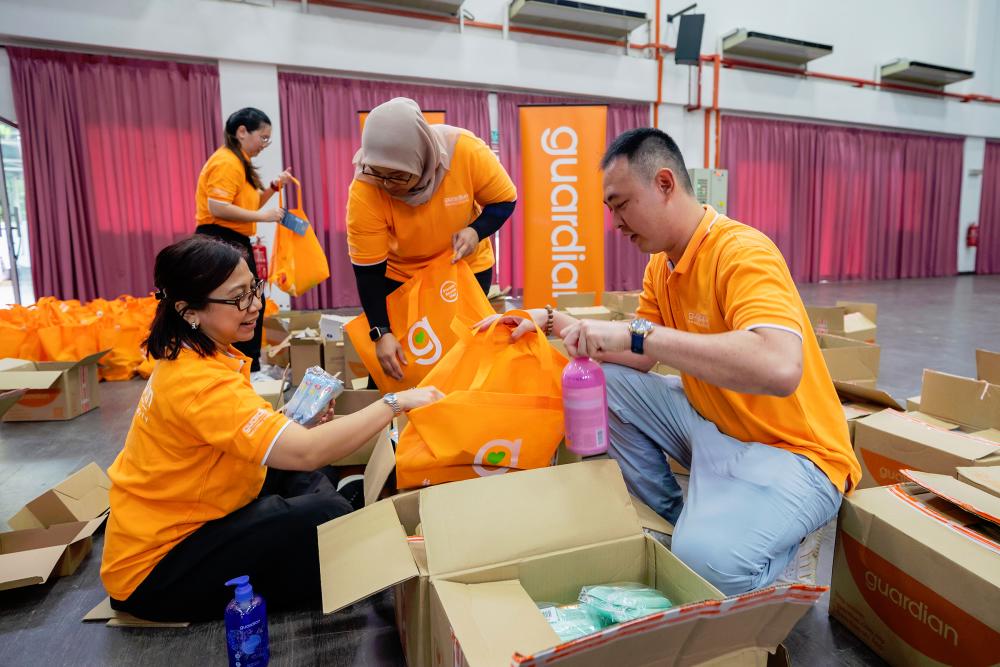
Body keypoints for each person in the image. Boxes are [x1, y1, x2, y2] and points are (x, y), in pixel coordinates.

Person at [482, 128, 860, 596]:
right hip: (715, 425)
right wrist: (553, 320)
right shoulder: (662, 267)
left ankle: (781, 556)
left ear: (664, 183)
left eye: (621, 204)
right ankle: (670, 523)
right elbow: (634, 359)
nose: (616, 223)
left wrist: (642, 336)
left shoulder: (742, 252)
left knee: (708, 570)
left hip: (795, 453)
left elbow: (780, 368)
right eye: (610, 210)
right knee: (606, 381)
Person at [100, 235, 443, 622]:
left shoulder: (200, 353)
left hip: (197, 515)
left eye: (254, 289)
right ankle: (339, 521)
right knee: (322, 504)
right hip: (158, 570)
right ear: (189, 310)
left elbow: (270, 441)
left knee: (303, 471)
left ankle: (337, 520)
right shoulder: (199, 382)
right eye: (237, 298)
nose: (255, 306)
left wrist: (300, 431)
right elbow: (306, 451)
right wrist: (393, 402)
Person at [348, 97, 516, 385]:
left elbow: (504, 200)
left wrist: (476, 231)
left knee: (458, 356)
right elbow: (368, 272)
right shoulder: (366, 189)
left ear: (422, 158)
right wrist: (381, 332)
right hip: (403, 278)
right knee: (400, 361)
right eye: (381, 174)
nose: (388, 185)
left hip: (463, 269)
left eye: (399, 175)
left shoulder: (464, 151)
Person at [195, 107, 292, 373]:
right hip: (219, 241)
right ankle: (245, 367)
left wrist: (273, 188)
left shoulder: (241, 162)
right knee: (241, 304)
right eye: (262, 137)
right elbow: (217, 207)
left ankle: (249, 366)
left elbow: (247, 202)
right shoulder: (226, 162)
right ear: (241, 132)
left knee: (250, 303)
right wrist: (264, 216)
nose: (264, 145)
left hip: (234, 240)